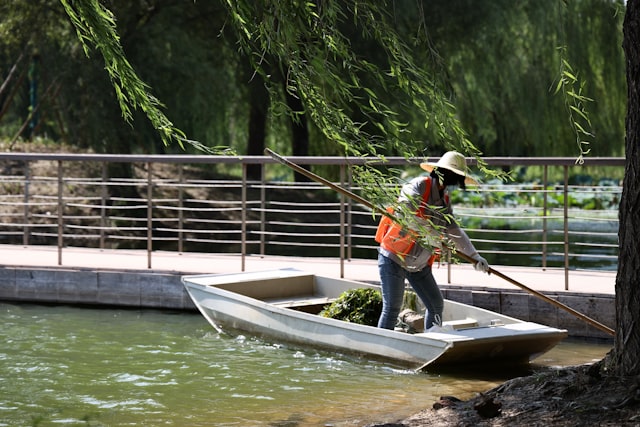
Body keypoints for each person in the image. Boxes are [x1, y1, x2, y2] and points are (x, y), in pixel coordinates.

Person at [375, 151, 490, 331]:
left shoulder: (444, 199)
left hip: (418, 263)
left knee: (436, 305)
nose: (455, 181)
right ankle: (380, 348)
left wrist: (474, 256)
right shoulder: (418, 185)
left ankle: (433, 340)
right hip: (395, 257)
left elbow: (453, 229)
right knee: (392, 308)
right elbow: (405, 211)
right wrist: (428, 229)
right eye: (455, 176)